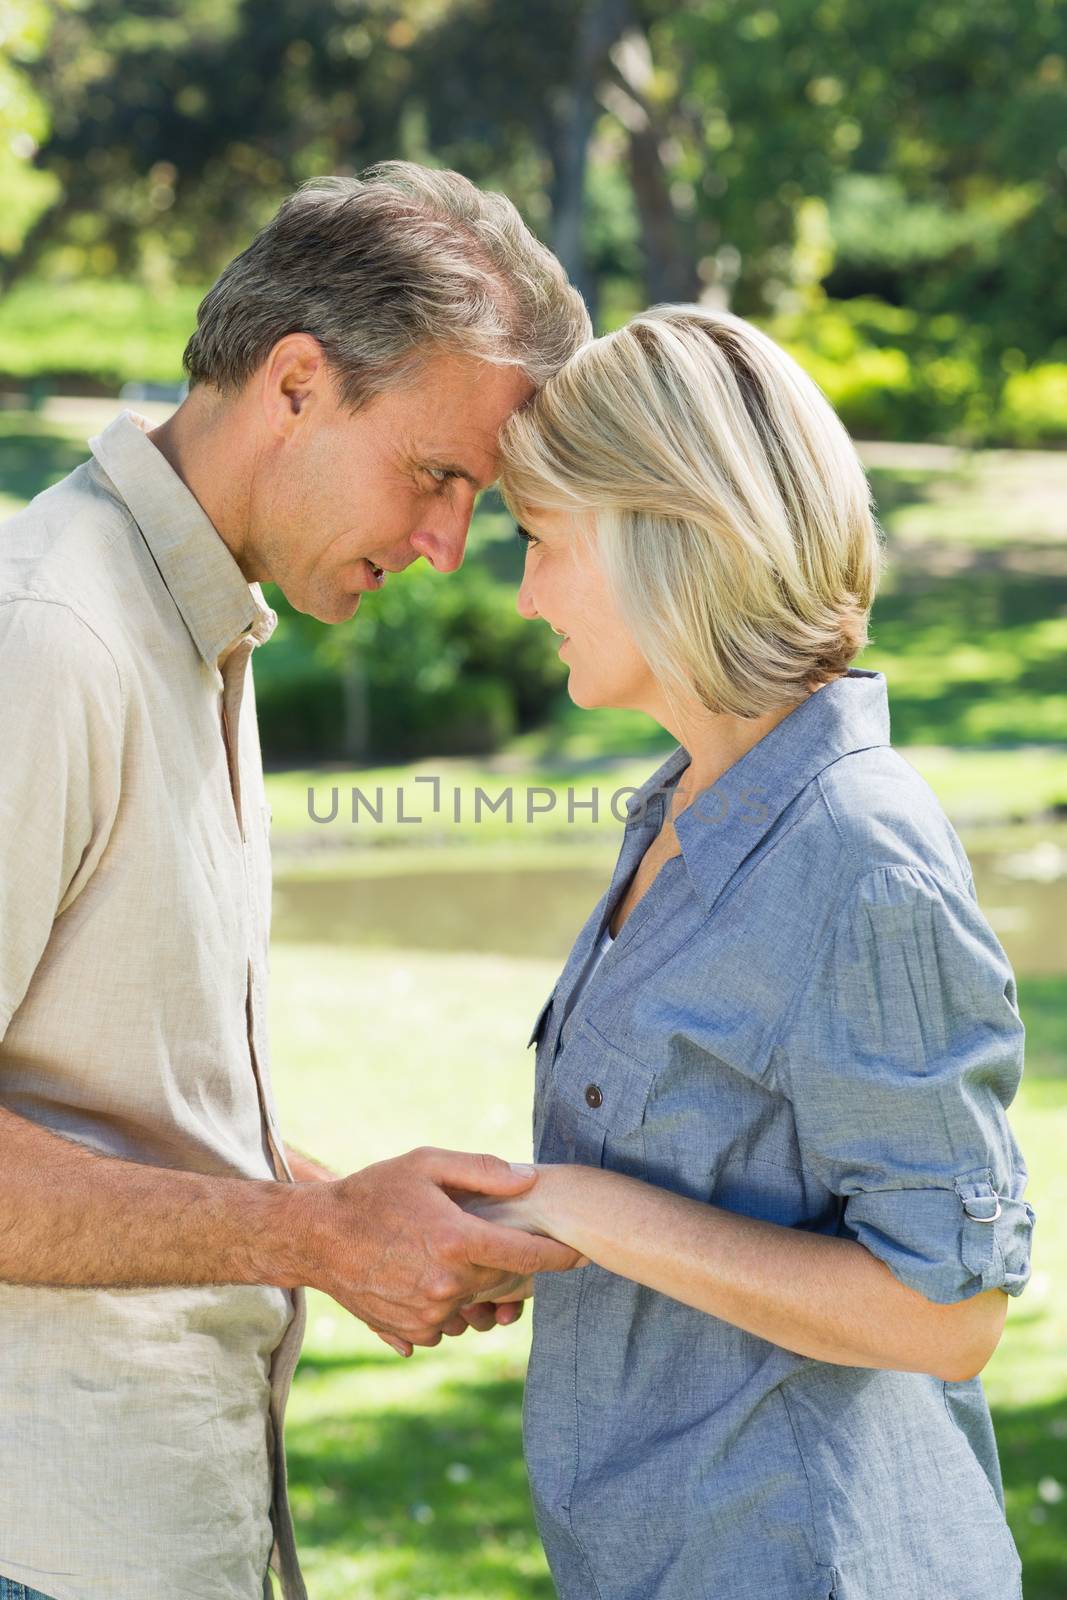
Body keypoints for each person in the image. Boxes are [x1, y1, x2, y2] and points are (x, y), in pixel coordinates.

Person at [0, 162, 591, 1600]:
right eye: (439, 475)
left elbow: (120, 1103)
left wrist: (367, 1219)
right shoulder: (50, 643)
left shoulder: (197, 620)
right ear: (297, 384)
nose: (450, 548)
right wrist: (314, 1233)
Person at [476, 305, 1035, 1599]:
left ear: (659, 535)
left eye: (541, 543)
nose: (525, 593)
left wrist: (580, 1208)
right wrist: (517, 1219)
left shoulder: (853, 851)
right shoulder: (687, 806)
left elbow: (945, 1314)